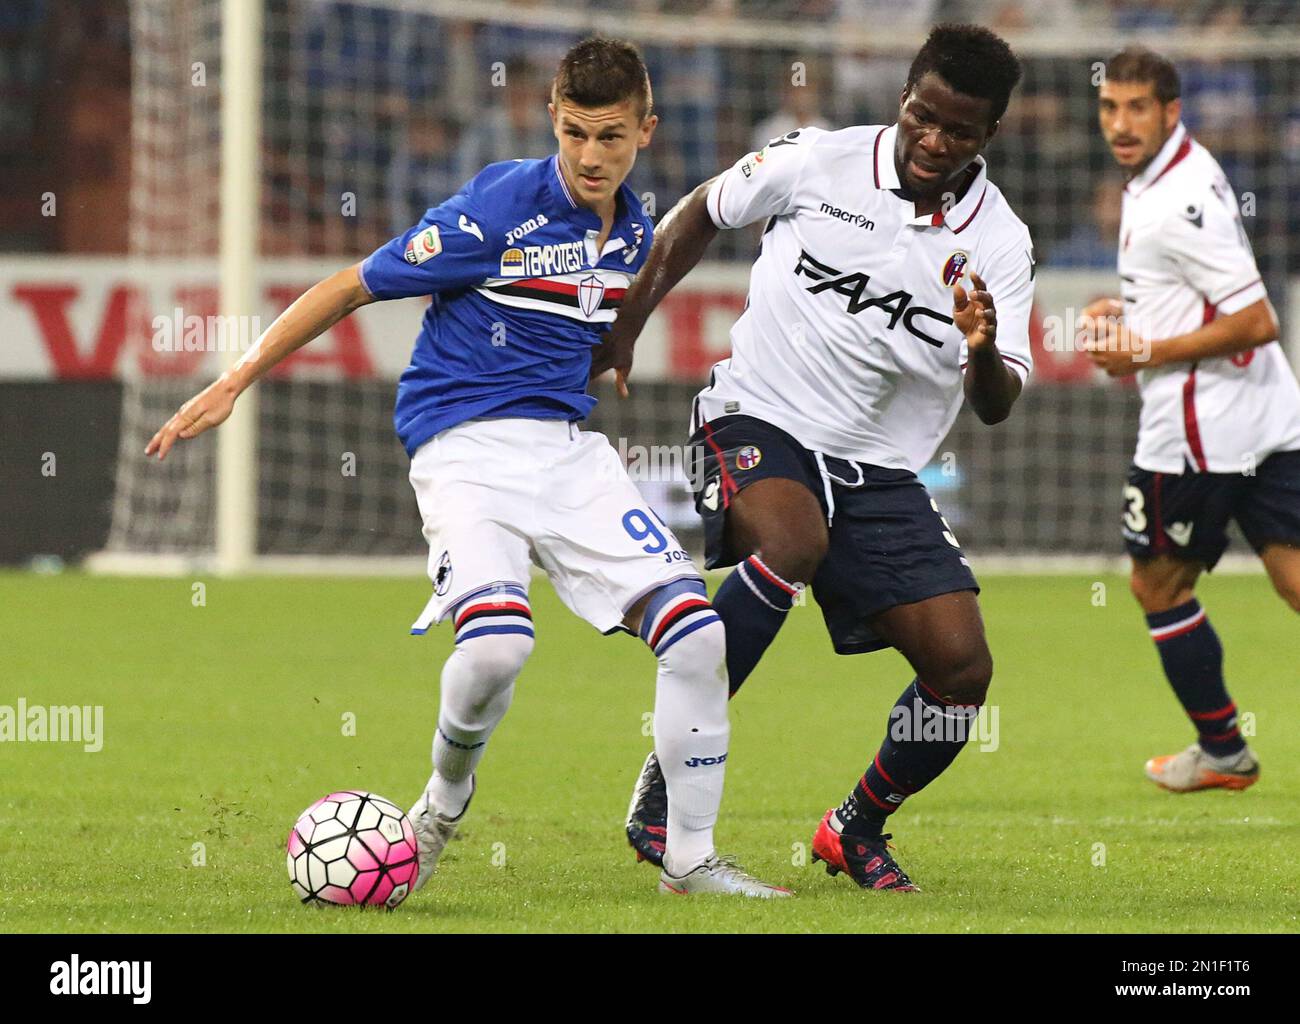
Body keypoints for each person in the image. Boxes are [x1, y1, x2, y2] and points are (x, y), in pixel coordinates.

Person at [145, 37, 787, 899]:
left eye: (611, 137)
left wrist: (614, 346)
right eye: (574, 134)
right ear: (551, 122)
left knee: (699, 635)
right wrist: (233, 380)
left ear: (646, 131)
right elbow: (349, 285)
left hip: (566, 453)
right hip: (464, 448)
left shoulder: (634, 224)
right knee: (495, 653)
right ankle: (440, 810)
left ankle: (690, 859)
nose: (590, 156)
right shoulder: (496, 207)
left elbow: (603, 302)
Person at [596, 24, 1034, 892]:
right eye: (923, 116)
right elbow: (700, 213)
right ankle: (666, 795)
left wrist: (980, 347)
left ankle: (854, 826)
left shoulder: (1001, 245)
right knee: (790, 547)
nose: (933, 142)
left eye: (960, 132)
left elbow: (993, 404)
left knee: (962, 671)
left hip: (875, 467)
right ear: (903, 95)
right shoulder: (817, 161)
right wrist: (628, 323)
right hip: (756, 412)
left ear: (990, 135)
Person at [1081, 46, 1300, 792]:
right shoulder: (1168, 174)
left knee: (1157, 586)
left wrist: (1145, 347)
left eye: (1138, 107)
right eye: (1110, 107)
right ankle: (1224, 751)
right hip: (1269, 415)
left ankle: (1224, 750)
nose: (1121, 122)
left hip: (1202, 435)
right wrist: (1133, 312)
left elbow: (1258, 319)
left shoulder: (1178, 198)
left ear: (1170, 111)